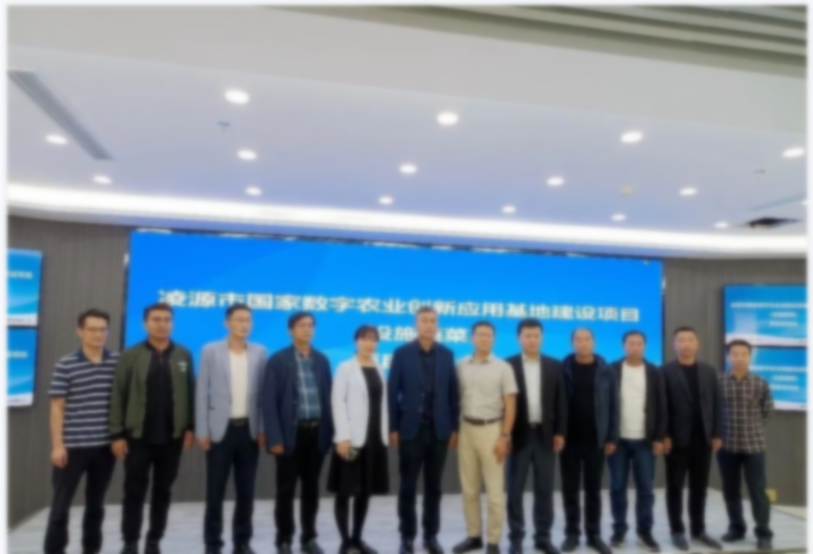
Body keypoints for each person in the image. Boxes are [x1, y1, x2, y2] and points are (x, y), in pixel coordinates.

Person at [110, 303, 196, 554]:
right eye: (156, 319)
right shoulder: (130, 355)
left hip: (172, 439)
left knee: (163, 491)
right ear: (145, 323)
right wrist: (117, 434)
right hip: (137, 438)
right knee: (133, 492)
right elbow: (118, 395)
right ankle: (130, 542)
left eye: (167, 319)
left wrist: (190, 427)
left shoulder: (183, 354)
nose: (162, 324)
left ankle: (154, 540)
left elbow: (191, 392)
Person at [44, 309, 119, 554]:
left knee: (96, 506)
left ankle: (91, 549)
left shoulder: (117, 362)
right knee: (60, 507)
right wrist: (58, 446)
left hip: (104, 448)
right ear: (80, 331)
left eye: (102, 329)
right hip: (72, 448)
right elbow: (57, 407)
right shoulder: (66, 364)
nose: (98, 334)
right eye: (92, 329)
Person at [196, 304, 269, 554]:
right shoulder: (210, 350)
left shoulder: (260, 352)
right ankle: (213, 543)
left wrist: (262, 428)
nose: (244, 324)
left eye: (248, 320)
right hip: (220, 431)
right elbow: (201, 391)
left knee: (246, 491)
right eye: (238, 320)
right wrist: (202, 430)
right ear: (227, 323)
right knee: (215, 491)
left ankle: (242, 542)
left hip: (249, 430)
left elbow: (263, 395)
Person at [388, 306, 459, 554]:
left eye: (433, 321)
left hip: (439, 431)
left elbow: (453, 394)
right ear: (416, 324)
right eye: (424, 320)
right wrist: (393, 427)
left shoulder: (447, 354)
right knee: (407, 486)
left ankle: (431, 536)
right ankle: (407, 536)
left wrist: (455, 428)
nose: (429, 324)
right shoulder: (402, 353)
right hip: (411, 430)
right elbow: (392, 392)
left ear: (437, 325)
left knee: (434, 487)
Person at [262, 312, 334, 554]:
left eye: (310, 325)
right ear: (290, 330)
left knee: (311, 489)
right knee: (285, 490)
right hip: (289, 436)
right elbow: (269, 403)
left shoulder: (322, 360)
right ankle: (284, 539)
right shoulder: (278, 360)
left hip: (316, 434)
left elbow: (329, 398)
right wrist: (274, 438)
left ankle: (308, 538)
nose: (307, 329)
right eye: (302, 325)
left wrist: (329, 434)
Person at [453, 321, 517, 554]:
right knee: (469, 490)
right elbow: (454, 399)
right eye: (480, 335)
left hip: (493, 430)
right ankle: (474, 536)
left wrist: (505, 435)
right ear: (472, 338)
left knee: (494, 493)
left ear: (493, 339)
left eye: (489, 335)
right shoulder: (460, 365)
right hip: (466, 429)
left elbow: (510, 404)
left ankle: (493, 541)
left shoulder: (503, 367)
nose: (484, 339)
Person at [505, 319, 567, 554]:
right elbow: (503, 404)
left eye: (536, 336)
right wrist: (505, 434)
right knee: (515, 490)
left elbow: (561, 402)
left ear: (541, 337)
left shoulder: (554, 365)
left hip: (545, 436)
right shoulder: (508, 365)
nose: (532, 340)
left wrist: (560, 431)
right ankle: (516, 538)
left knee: (544, 490)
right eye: (527, 336)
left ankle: (543, 537)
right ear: (518, 338)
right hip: (518, 437)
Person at [329, 325, 390, 554]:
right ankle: (345, 542)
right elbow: (337, 402)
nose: (369, 343)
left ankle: (357, 538)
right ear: (356, 341)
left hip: (374, 440)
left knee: (365, 491)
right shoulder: (345, 368)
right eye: (365, 339)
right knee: (345, 490)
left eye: (373, 339)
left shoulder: (379, 368)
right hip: (351, 441)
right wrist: (343, 436)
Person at [661, 327, 723, 552]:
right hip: (676, 441)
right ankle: (677, 530)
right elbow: (661, 406)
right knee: (675, 487)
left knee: (700, 487)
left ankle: (698, 530)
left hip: (703, 439)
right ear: (674, 345)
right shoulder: (664, 371)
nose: (686, 344)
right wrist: (664, 434)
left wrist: (717, 433)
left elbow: (716, 403)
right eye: (681, 340)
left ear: (697, 344)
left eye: (690, 340)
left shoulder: (708, 371)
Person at [607, 331, 667, 553]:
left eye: (639, 343)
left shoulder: (654, 371)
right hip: (618, 441)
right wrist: (608, 437)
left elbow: (662, 405)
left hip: (645, 441)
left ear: (644, 346)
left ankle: (645, 531)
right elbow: (605, 405)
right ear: (624, 345)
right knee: (617, 487)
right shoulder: (612, 369)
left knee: (646, 489)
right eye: (631, 343)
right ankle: (619, 530)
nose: (634, 347)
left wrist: (659, 437)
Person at [560, 328, 618, 554]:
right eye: (578, 339)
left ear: (594, 342)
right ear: (572, 342)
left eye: (587, 339)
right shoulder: (563, 368)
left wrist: (612, 436)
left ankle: (594, 534)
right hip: (569, 440)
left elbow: (614, 405)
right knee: (570, 489)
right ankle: (572, 533)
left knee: (593, 489)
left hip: (596, 439)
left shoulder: (606, 370)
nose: (583, 343)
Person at [717, 340, 774, 551]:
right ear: (728, 356)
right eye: (735, 354)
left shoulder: (760, 383)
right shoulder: (719, 381)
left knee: (758, 491)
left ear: (750, 357)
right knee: (731, 490)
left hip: (754, 447)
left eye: (743, 354)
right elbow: (713, 411)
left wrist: (754, 429)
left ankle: (763, 533)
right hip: (727, 446)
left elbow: (768, 411)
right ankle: (736, 528)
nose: (739, 358)